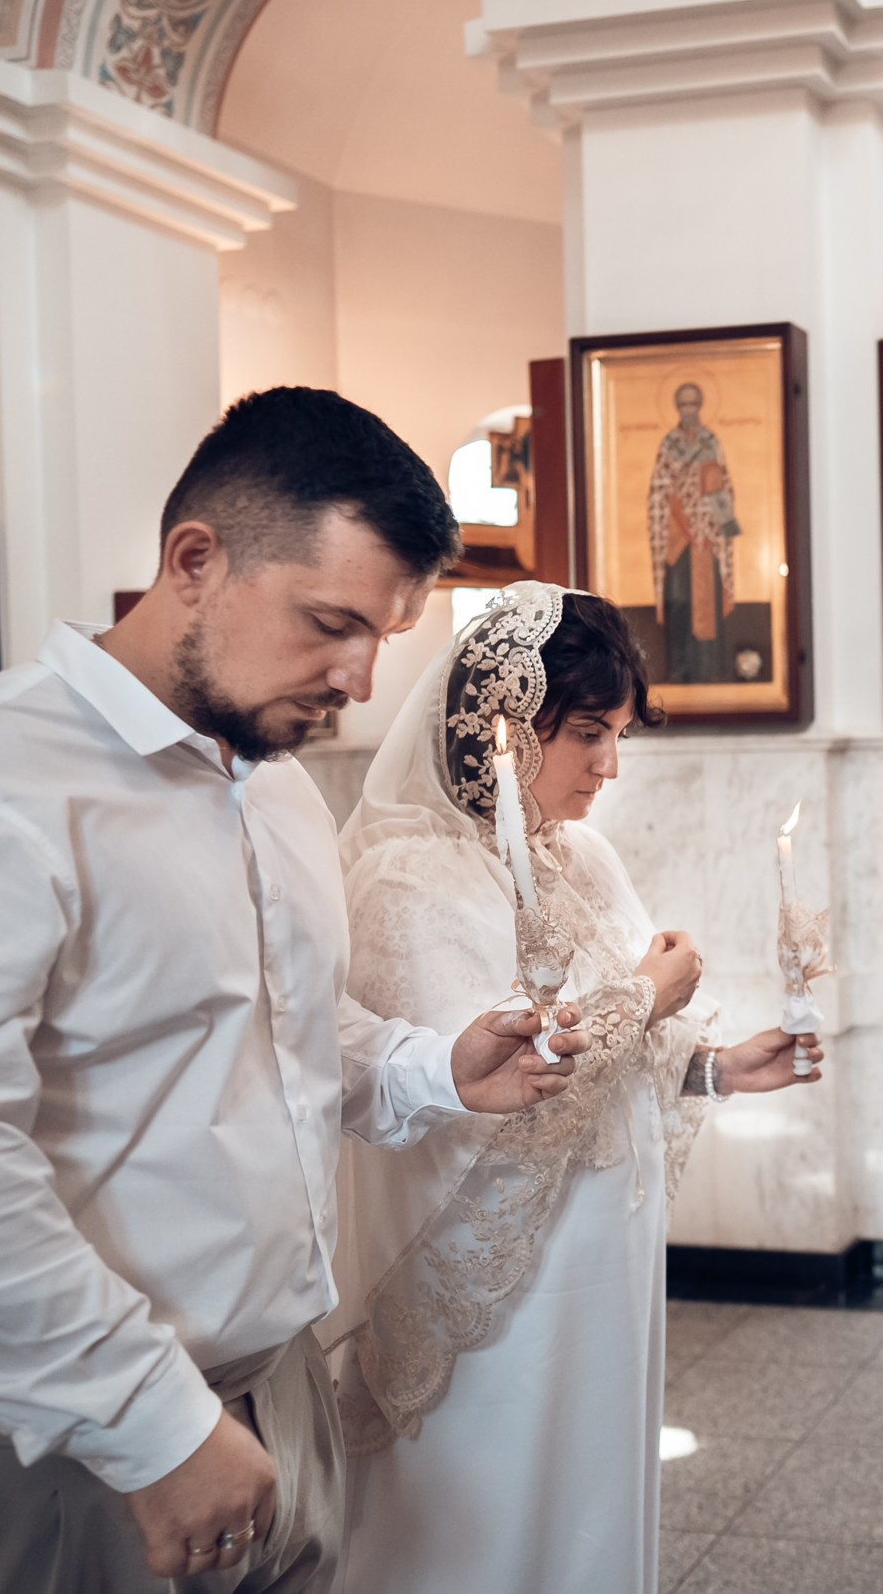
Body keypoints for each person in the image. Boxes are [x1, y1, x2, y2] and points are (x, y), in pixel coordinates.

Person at [0, 388, 583, 1594]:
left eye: (381, 636)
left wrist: (437, 1066)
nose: (360, 678)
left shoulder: (270, 785)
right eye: (331, 622)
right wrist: (150, 1421)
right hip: (26, 1453)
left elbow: (288, 1031)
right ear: (195, 560)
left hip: (269, 1401)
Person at [324, 581, 820, 1594]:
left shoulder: (580, 855)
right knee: (495, 1499)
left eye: (618, 732)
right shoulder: (406, 877)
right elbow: (505, 1082)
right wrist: (644, 992)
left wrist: (715, 1064)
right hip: (506, 1277)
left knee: (592, 1489)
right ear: (502, 724)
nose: (609, 763)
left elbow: (622, 1053)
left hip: (604, 1248)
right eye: (587, 731)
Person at [648, 382, 740, 683]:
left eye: (693, 404)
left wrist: (720, 527)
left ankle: (709, 669)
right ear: (677, 408)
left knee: (708, 603)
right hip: (678, 540)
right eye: (683, 405)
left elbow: (722, 485)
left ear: (700, 406)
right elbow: (659, 491)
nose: (689, 410)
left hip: (707, 539)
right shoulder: (668, 444)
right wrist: (681, 519)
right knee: (679, 603)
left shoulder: (710, 441)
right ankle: (679, 668)